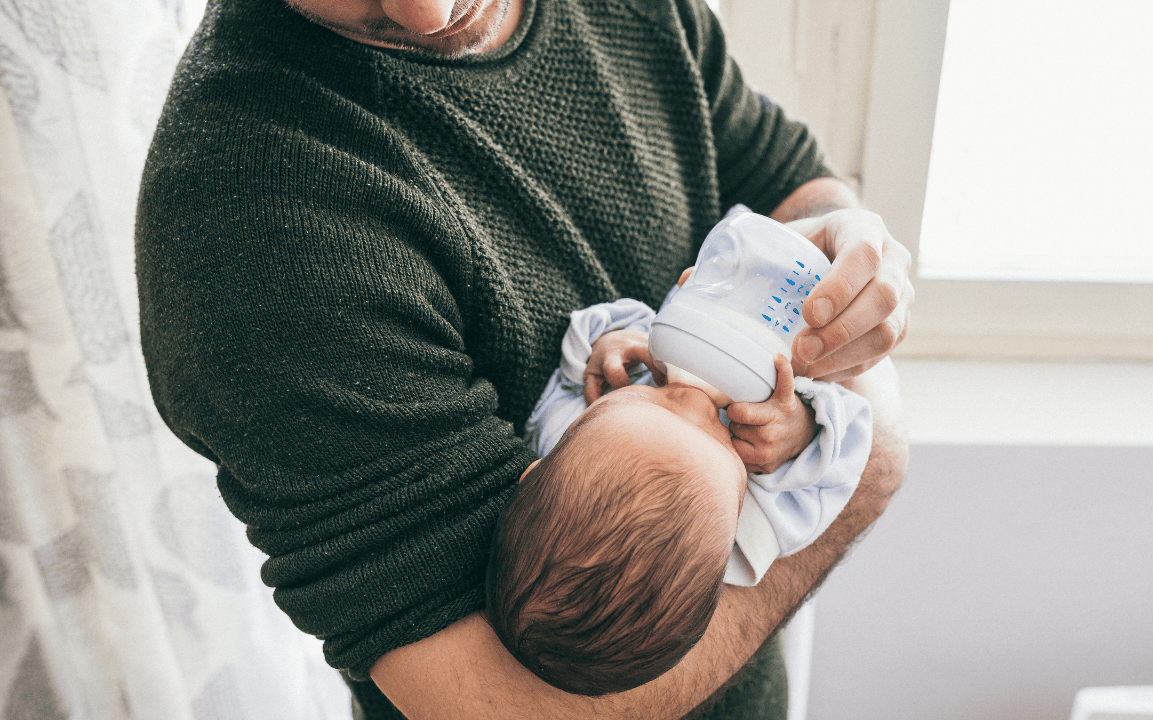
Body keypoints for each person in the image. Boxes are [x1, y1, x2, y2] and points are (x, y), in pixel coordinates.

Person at [134, 0, 914, 716]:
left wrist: (848, 248)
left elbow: (783, 178)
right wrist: (864, 458)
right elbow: (507, 707)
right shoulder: (252, 230)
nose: (428, 11)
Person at [486, 296, 873, 696]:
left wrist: (613, 343)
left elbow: (572, 363)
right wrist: (801, 430)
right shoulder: (748, 534)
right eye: (715, 438)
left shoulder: (562, 436)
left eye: (654, 405)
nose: (694, 400)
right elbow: (848, 453)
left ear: (536, 471)